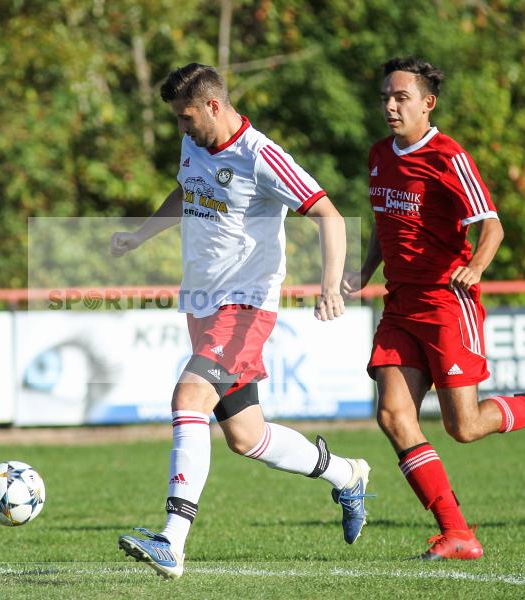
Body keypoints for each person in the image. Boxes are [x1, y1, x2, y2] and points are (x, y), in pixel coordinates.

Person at [342, 56, 525, 561]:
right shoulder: (380, 155)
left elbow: (492, 225)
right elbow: (386, 226)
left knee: (463, 427)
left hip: (448, 303)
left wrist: (478, 266)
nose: (390, 105)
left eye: (401, 97)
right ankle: (457, 533)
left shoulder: (449, 157)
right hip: (400, 305)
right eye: (385, 97)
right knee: (393, 415)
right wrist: (362, 272)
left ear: (428, 103)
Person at [110, 63, 373, 579]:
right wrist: (141, 235)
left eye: (186, 118)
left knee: (187, 399)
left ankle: (172, 541)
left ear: (213, 105)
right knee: (246, 437)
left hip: (245, 308)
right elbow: (187, 193)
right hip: (203, 307)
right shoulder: (194, 144)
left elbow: (329, 214)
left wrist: (329, 285)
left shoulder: (261, 156)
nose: (181, 130)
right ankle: (347, 474)